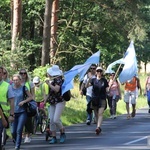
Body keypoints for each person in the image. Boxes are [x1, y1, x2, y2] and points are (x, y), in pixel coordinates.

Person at [44, 65, 66, 144]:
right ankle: (54, 137)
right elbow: (50, 93)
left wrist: (48, 84)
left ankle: (62, 131)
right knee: (51, 120)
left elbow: (56, 89)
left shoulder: (58, 79)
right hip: (52, 101)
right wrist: (45, 100)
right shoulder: (52, 80)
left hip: (59, 101)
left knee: (56, 119)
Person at [11, 74, 33, 150]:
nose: (15, 81)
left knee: (19, 130)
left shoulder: (24, 88)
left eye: (17, 80)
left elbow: (31, 97)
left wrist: (24, 101)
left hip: (22, 112)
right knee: (13, 131)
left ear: (20, 80)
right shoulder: (10, 88)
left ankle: (17, 146)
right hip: (13, 112)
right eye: (14, 80)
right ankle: (16, 141)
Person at [87, 66, 109, 135]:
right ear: (96, 72)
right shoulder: (93, 80)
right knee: (96, 114)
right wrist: (89, 79)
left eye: (100, 71)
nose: (99, 72)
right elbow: (86, 86)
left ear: (102, 72)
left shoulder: (104, 80)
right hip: (94, 99)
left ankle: (98, 127)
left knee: (100, 113)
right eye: (98, 71)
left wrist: (109, 88)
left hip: (102, 99)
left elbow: (107, 90)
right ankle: (98, 126)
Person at [0, 66, 14, 149]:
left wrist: (12, 114)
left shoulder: (7, 86)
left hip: (3, 115)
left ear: (2, 74)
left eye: (0, 72)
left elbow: (12, 100)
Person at [19, 69, 35, 143]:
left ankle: (28, 135)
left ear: (26, 74)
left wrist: (32, 102)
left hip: (28, 103)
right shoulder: (16, 82)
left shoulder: (30, 83)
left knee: (28, 119)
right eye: (21, 73)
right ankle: (21, 134)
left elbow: (33, 94)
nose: (23, 75)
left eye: (24, 73)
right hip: (19, 103)